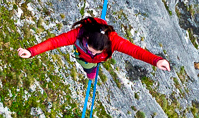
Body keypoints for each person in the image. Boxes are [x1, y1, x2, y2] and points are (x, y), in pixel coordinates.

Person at [18, 16, 171, 78]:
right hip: (81, 56)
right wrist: (31, 52)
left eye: (96, 51)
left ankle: (91, 70)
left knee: (91, 69)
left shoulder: (114, 42)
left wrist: (156, 61)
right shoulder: (78, 34)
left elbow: (135, 51)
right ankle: (90, 68)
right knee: (87, 64)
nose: (92, 52)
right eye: (91, 49)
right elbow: (54, 42)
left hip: (96, 61)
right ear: (87, 38)